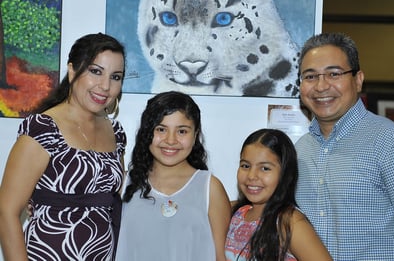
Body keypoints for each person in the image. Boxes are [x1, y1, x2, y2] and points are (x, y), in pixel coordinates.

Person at [0, 33, 127, 260]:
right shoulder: (43, 129)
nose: (105, 86)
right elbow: (6, 212)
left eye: (115, 76)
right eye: (95, 71)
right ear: (72, 70)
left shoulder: (116, 133)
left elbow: (110, 199)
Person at [295, 32, 394, 260]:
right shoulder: (300, 149)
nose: (321, 86)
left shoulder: (391, 141)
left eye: (334, 74)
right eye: (310, 76)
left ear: (358, 80)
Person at [116, 91, 231, 261]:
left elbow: (221, 257)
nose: (171, 140)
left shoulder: (210, 188)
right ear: (147, 132)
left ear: (195, 134)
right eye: (161, 129)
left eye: (182, 131)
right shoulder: (123, 184)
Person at [225, 128, 332, 261]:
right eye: (245, 166)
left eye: (265, 168)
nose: (252, 176)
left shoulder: (289, 222)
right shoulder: (236, 213)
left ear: (285, 174)